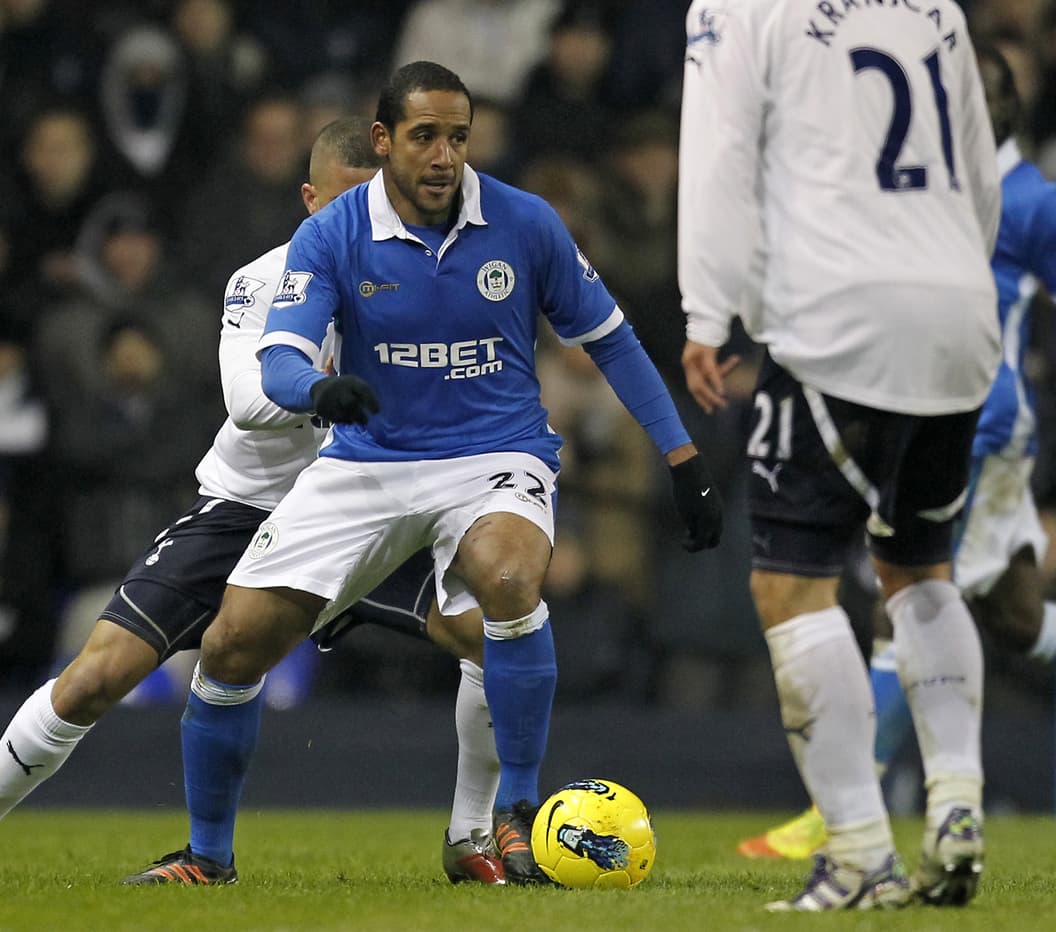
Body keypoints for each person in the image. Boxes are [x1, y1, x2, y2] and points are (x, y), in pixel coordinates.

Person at [121, 60, 722, 889]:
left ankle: (513, 816)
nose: (445, 156)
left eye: (459, 137)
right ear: (384, 141)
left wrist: (681, 457)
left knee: (510, 578)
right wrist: (319, 388)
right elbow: (282, 355)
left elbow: (611, 338)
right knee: (230, 645)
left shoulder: (525, 222)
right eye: (426, 137)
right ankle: (208, 856)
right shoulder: (332, 234)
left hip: (494, 454)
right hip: (369, 459)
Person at [0, 116, 505, 887]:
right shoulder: (263, 281)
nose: (363, 222)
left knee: (489, 631)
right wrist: (326, 393)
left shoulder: (434, 283)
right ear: (311, 202)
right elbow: (245, 400)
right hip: (253, 510)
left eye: (378, 202)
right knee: (96, 675)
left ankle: (469, 838)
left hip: (370, 511)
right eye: (346, 203)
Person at [678, 0, 1001, 912]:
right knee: (919, 565)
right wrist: (949, 290)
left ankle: (859, 855)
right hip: (956, 308)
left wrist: (709, 312)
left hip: (840, 313)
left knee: (792, 581)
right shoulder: (934, 5)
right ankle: (957, 801)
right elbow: (978, 169)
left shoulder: (740, 8)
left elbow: (719, 157)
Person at [739, 40, 1056, 866]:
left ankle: (844, 804)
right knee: (1018, 620)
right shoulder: (929, 194)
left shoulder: (1026, 202)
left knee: (902, 588)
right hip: (927, 403)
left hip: (979, 421)